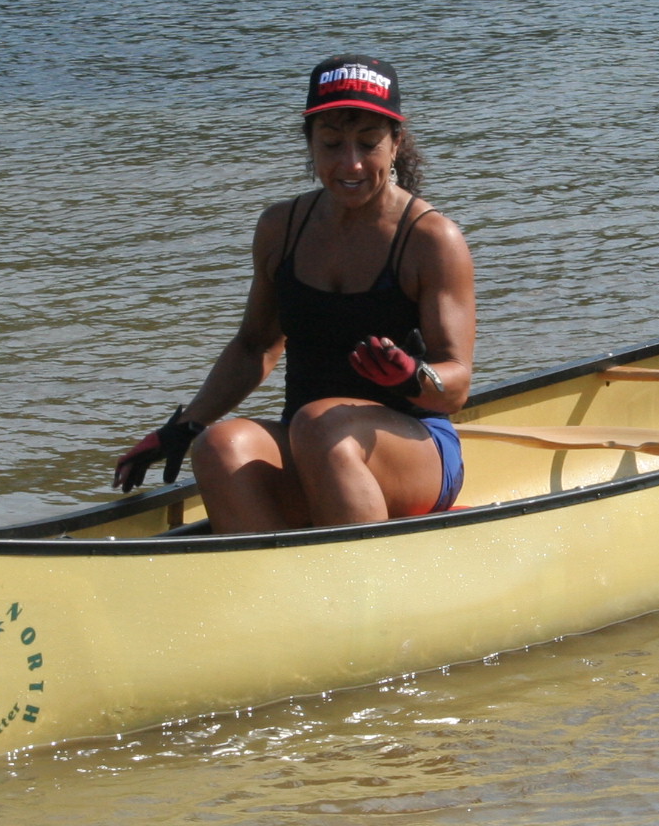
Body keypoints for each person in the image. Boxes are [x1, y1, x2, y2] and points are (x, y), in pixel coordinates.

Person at [114, 56, 476, 530]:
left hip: (417, 448)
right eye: (331, 144)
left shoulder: (431, 240)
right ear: (309, 143)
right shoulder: (280, 228)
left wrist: (413, 377)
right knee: (221, 446)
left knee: (319, 425)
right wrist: (184, 426)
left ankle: (362, 585)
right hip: (312, 440)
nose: (351, 163)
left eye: (369, 144)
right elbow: (255, 346)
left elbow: (457, 387)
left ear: (396, 144)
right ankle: (270, 589)